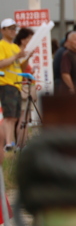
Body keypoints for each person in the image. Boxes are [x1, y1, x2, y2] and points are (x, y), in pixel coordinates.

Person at [0, 18, 27, 150]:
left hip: (16, 83)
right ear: (2, 30)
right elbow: (1, 64)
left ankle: (11, 143)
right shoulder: (1, 45)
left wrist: (27, 57)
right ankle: (8, 143)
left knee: (15, 117)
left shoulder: (15, 46)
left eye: (14, 28)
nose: (12, 31)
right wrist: (16, 57)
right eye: (9, 28)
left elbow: (20, 67)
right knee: (9, 116)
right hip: (6, 83)